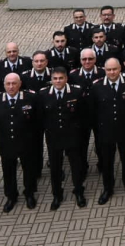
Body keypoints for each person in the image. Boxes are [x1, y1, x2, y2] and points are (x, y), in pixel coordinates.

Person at [0, 73, 39, 213]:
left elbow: (36, 119)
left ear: (20, 84)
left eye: (14, 83)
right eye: (8, 84)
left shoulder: (31, 98)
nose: (11, 86)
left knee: (29, 170)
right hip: (6, 143)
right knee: (8, 172)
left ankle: (29, 193)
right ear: (3, 85)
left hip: (26, 142)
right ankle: (11, 196)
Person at [37, 67, 88, 210]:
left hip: (72, 136)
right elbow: (40, 117)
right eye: (55, 78)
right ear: (51, 80)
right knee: (55, 168)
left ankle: (78, 191)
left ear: (66, 79)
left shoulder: (76, 92)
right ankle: (57, 195)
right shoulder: (43, 94)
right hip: (54, 138)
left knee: (76, 166)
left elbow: (83, 113)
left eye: (60, 78)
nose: (58, 81)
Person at [89, 58, 125, 203]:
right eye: (109, 70)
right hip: (106, 132)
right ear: (104, 70)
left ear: (120, 68)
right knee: (107, 162)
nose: (112, 72)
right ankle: (107, 188)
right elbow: (92, 110)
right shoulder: (97, 86)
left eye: (114, 69)